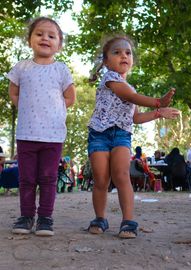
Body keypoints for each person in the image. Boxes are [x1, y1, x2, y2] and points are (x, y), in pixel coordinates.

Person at [87, 35, 180, 239]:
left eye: (128, 53)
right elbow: (128, 96)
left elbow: (135, 117)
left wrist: (158, 113)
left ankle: (128, 221)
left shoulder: (132, 89)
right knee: (101, 179)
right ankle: (100, 218)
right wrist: (158, 102)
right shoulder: (110, 78)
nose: (124, 55)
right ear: (105, 61)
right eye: (117, 52)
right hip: (99, 134)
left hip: (121, 134)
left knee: (121, 175)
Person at [7, 17, 76, 236]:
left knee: (48, 178)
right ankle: (26, 217)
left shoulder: (61, 70)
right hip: (26, 133)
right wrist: (28, 108)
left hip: (53, 136)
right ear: (29, 40)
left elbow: (70, 98)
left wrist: (51, 110)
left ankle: (45, 219)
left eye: (51, 35)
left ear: (59, 44)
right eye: (39, 34)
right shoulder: (21, 67)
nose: (45, 38)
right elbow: (14, 93)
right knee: (26, 178)